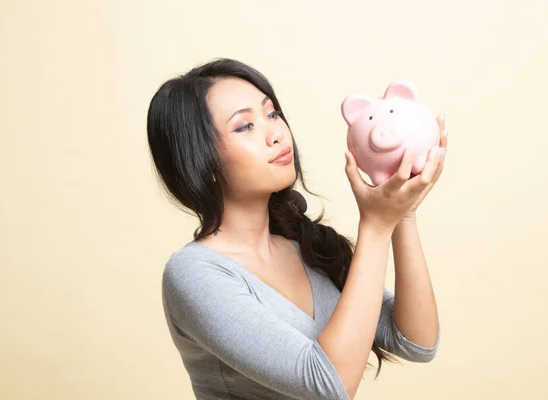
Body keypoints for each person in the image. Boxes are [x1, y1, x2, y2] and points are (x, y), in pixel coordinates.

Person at [147, 58, 447, 400]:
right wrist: (376, 227)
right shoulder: (194, 274)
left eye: (272, 114)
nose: (276, 133)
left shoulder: (307, 247)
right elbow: (328, 384)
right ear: (200, 160)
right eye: (245, 126)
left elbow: (417, 341)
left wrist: (402, 213)